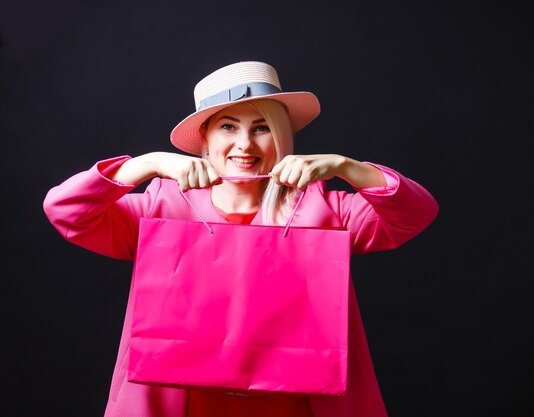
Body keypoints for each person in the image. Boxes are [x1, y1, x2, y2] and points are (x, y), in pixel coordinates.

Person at [43, 61, 439, 417]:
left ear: (281, 135)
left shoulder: (325, 210)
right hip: (182, 404)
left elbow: (415, 215)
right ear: (206, 138)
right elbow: (66, 211)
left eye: (262, 127)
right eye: (228, 126)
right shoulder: (160, 207)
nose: (245, 144)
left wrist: (350, 168)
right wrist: (146, 164)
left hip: (298, 404)